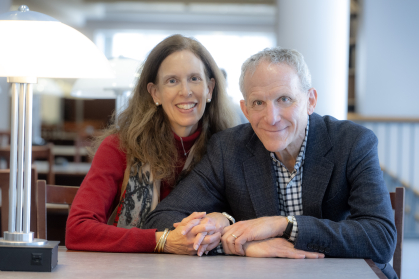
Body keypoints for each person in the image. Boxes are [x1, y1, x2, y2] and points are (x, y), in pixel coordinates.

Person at [144, 47, 397, 278]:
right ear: (245, 109)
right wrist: (238, 241)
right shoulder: (228, 148)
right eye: (258, 103)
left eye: (284, 99)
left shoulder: (353, 142)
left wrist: (282, 225)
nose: (271, 117)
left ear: (310, 100)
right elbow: (162, 218)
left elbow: (380, 239)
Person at [66, 34, 239, 255]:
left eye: (195, 78)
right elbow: (77, 230)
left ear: (209, 89)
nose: (185, 91)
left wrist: (224, 219)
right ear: (155, 93)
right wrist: (162, 241)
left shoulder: (228, 149)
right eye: (172, 81)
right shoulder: (119, 147)